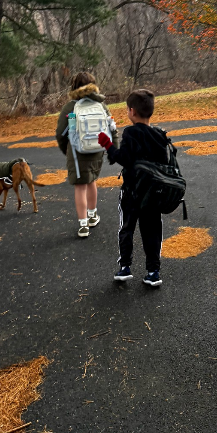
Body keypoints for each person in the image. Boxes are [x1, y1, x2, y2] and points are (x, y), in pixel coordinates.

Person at [97, 88, 169, 288]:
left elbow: (123, 159)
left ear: (131, 111)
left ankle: (125, 267)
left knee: (127, 228)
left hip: (132, 192)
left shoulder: (130, 133)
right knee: (152, 231)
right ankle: (153, 271)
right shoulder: (160, 135)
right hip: (153, 194)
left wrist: (108, 145)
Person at [56, 72, 119, 238]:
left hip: (77, 153)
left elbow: (60, 133)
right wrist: (113, 149)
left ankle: (83, 225)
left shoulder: (70, 107)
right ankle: (93, 216)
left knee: (80, 186)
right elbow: (112, 127)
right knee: (92, 181)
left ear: (74, 86)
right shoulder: (101, 105)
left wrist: (66, 150)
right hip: (97, 150)